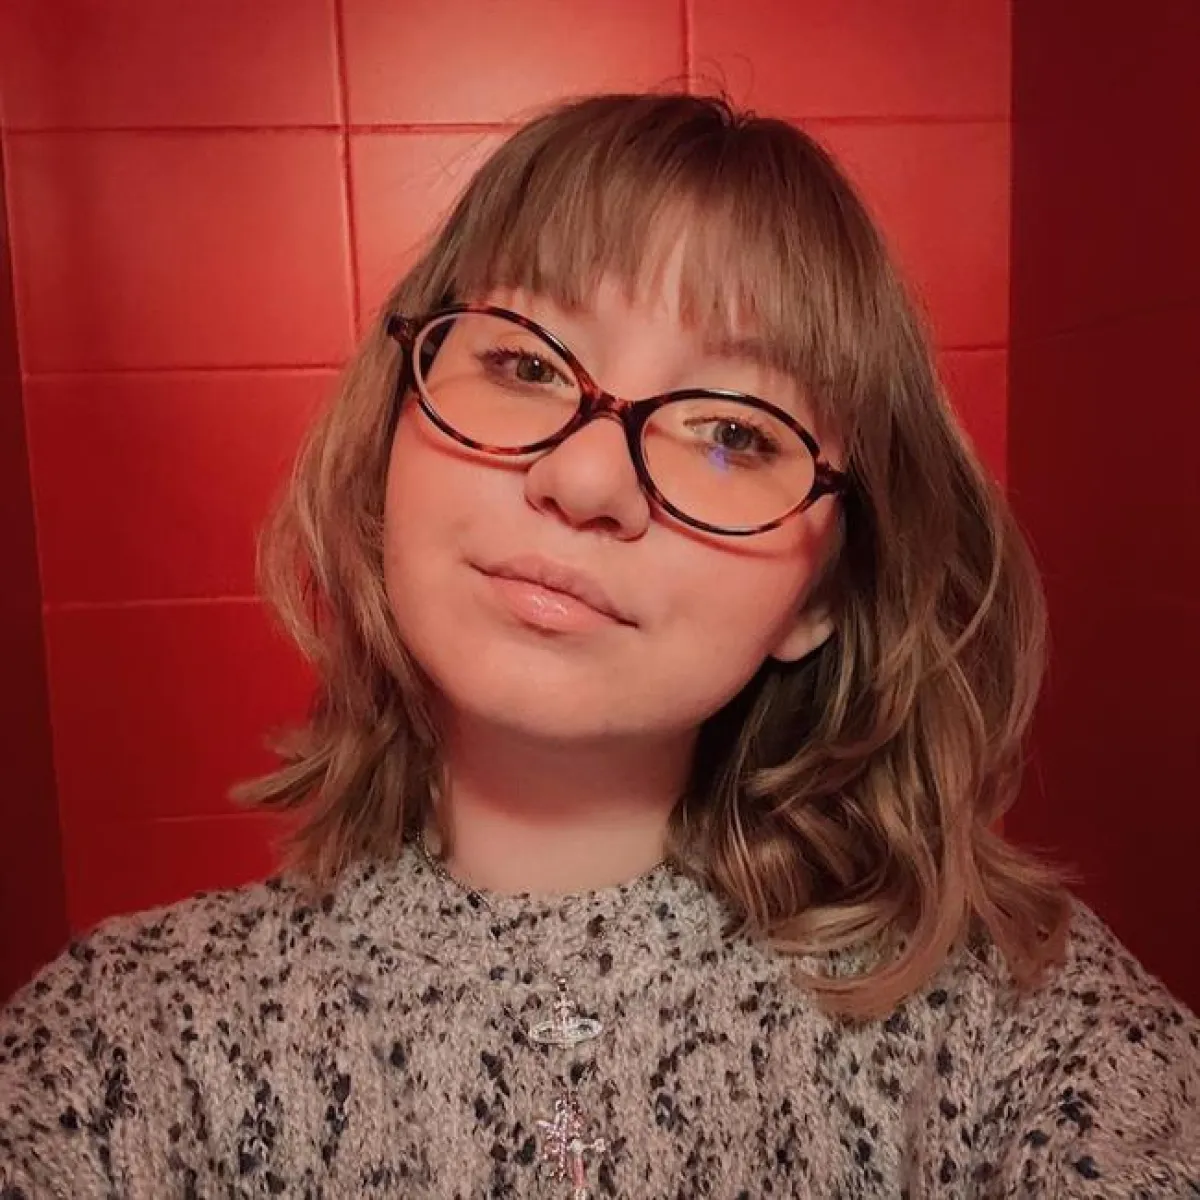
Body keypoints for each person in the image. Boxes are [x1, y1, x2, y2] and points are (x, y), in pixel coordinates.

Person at [1, 92, 1196, 1199]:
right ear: (391, 434)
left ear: (825, 592)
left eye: (732, 434)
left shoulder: (1015, 1026)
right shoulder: (117, 1046)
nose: (583, 482)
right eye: (523, 364)